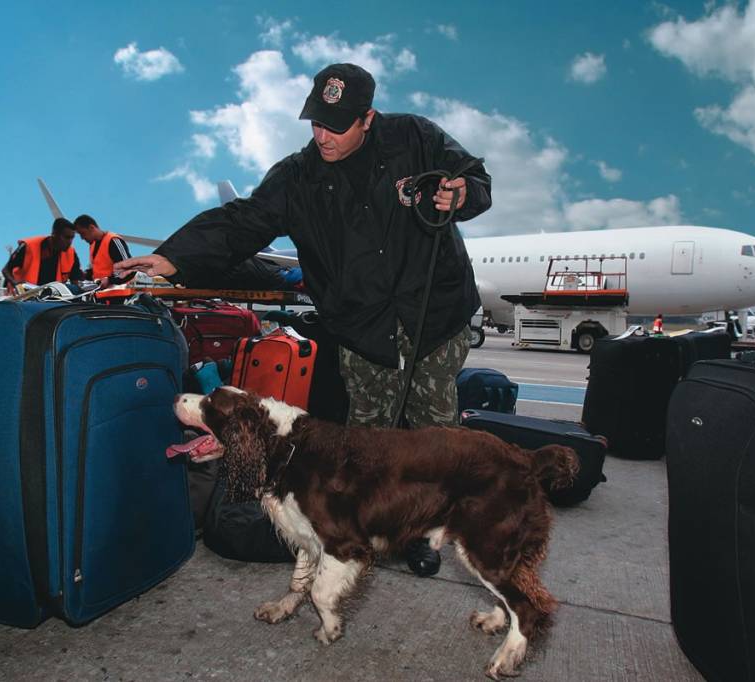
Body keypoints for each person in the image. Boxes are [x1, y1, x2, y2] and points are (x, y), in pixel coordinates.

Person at [116, 63, 491, 576]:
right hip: (362, 324)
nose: (322, 136)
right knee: (369, 439)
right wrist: (175, 256)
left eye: (335, 126)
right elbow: (242, 220)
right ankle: (371, 525)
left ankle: (425, 531)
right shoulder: (297, 176)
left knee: (436, 434)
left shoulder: (415, 137)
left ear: (367, 119)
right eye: (316, 123)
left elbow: (474, 177)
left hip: (434, 311)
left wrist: (464, 194)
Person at [2, 217, 82, 294]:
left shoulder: (71, 253)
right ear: (54, 234)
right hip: (23, 297)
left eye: (72, 238)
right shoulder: (28, 246)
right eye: (67, 237)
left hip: (52, 298)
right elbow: (6, 270)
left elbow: (75, 283)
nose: (70, 242)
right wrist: (16, 284)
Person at [73, 214, 133, 285]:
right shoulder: (93, 245)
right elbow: (100, 271)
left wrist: (109, 280)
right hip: (101, 290)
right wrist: (85, 274)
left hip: (118, 290)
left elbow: (129, 270)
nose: (82, 238)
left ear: (91, 228)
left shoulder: (113, 241)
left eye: (83, 233)